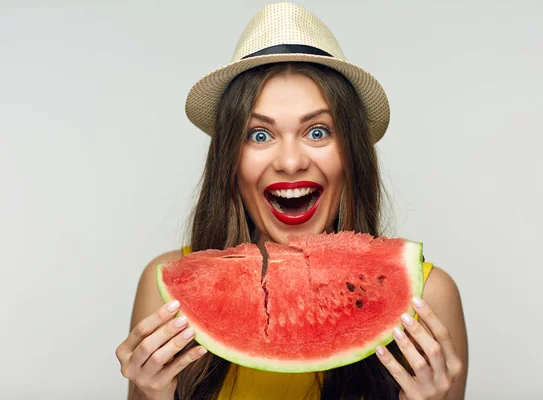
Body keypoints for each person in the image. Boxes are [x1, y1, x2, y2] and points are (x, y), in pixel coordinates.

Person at [116, 3, 468, 399]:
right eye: (259, 135)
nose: (289, 162)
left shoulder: (430, 297)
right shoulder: (166, 289)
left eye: (317, 132)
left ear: (351, 152)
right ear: (230, 160)